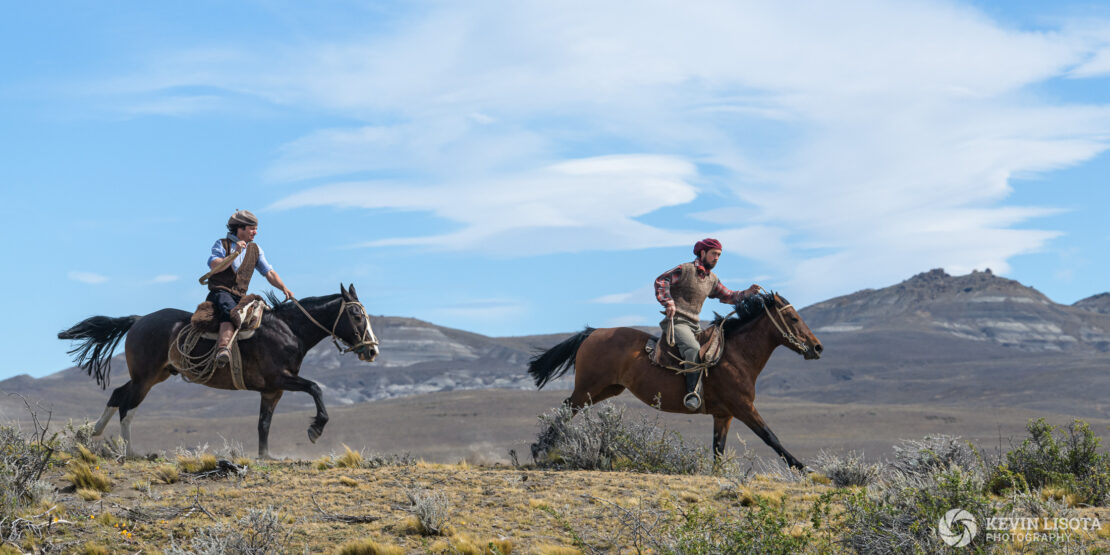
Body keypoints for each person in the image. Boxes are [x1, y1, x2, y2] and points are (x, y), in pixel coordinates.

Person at [655, 238, 759, 411]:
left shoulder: (712, 279)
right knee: (693, 350)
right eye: (714, 254)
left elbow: (728, 296)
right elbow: (661, 281)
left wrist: (746, 293)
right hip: (677, 321)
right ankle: (692, 394)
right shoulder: (685, 270)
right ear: (702, 253)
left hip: (695, 325)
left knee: (715, 352)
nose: (717, 258)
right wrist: (669, 302)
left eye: (719, 255)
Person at [205, 210, 294, 367]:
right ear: (240, 229)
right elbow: (214, 266)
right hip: (220, 292)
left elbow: (269, 272)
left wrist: (283, 288)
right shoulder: (221, 244)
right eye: (252, 228)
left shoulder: (256, 250)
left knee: (263, 315)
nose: (256, 232)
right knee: (231, 312)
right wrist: (234, 254)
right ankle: (223, 349)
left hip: (240, 296)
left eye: (256, 228)